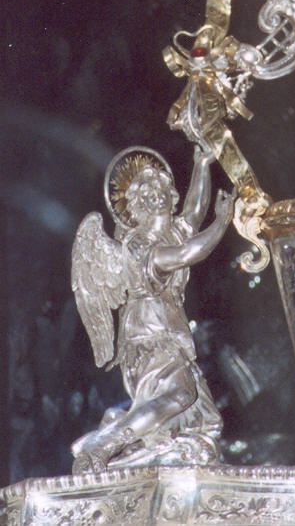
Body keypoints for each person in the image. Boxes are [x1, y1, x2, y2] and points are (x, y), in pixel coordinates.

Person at [71, 145, 234, 473]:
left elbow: (194, 212)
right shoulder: (138, 244)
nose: (157, 195)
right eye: (147, 193)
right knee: (179, 396)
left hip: (170, 331)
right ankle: (104, 444)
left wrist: (201, 164)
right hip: (148, 334)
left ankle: (122, 432)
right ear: (136, 204)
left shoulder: (170, 232)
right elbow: (186, 254)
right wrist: (221, 223)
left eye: (161, 188)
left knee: (195, 419)